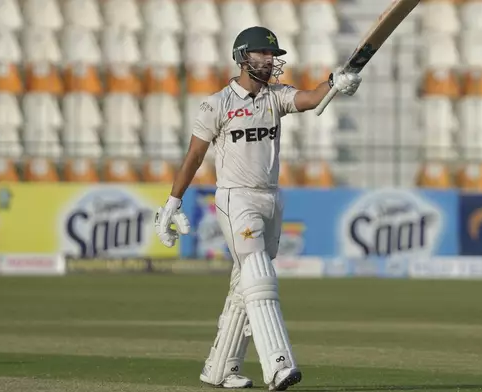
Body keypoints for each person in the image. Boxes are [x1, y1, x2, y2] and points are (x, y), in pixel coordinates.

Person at [154, 26, 362, 390]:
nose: (269, 61)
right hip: (236, 198)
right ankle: (278, 365)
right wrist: (172, 203)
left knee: (243, 285)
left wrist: (335, 82)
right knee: (259, 276)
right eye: (262, 55)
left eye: (272, 56)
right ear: (241, 57)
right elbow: (194, 155)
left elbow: (312, 99)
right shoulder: (216, 104)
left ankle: (220, 369)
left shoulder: (275, 97)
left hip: (270, 197)